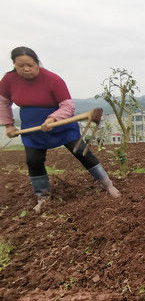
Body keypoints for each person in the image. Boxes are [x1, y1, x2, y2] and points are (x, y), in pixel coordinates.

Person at [0, 47, 120, 212]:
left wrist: (52, 119)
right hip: (32, 128)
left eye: (30, 64)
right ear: (14, 65)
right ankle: (43, 197)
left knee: (82, 152)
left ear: (37, 63)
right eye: (21, 66)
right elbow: (3, 102)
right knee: (34, 162)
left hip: (61, 125)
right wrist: (8, 124)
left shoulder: (52, 79)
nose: (26, 69)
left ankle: (108, 184)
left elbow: (68, 105)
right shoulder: (8, 80)